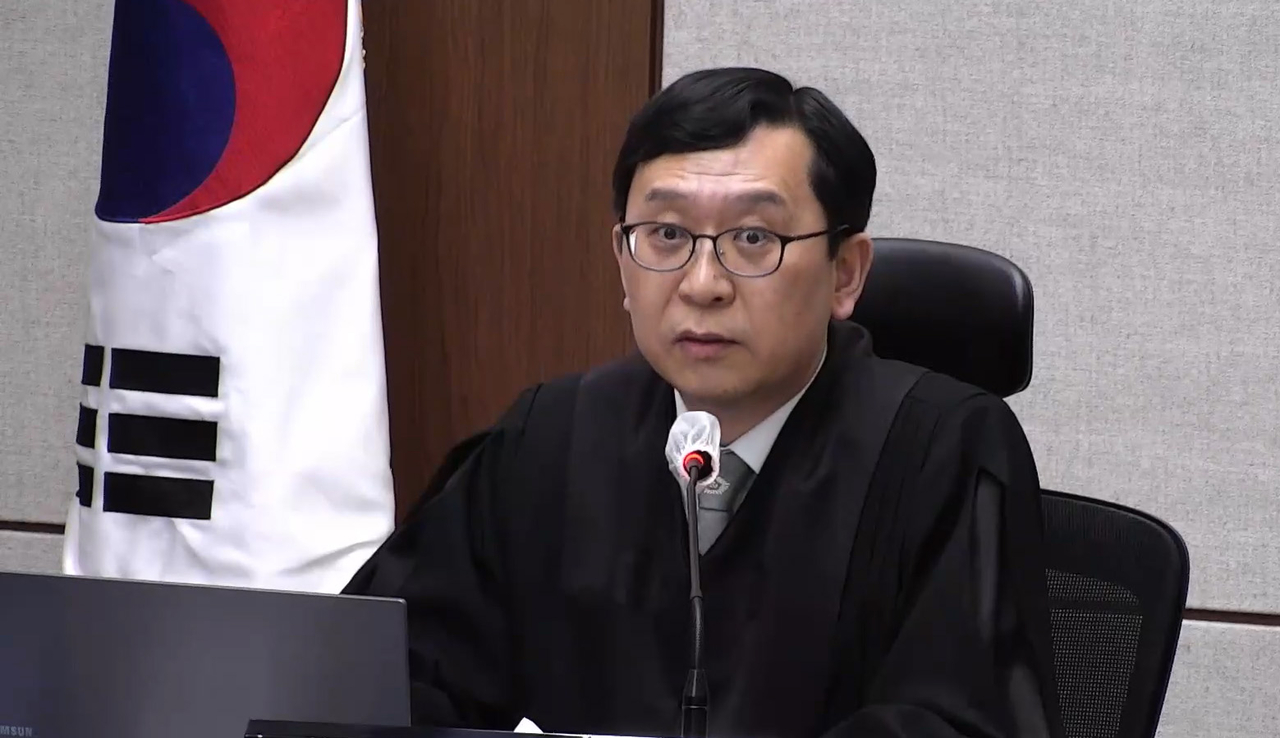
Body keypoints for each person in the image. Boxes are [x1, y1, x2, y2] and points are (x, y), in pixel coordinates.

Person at [344, 67, 1064, 738]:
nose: (702, 284)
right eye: (666, 235)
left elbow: (958, 720)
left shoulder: (942, 453)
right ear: (622, 263)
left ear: (845, 273)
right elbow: (390, 673)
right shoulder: (549, 439)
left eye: (753, 238)